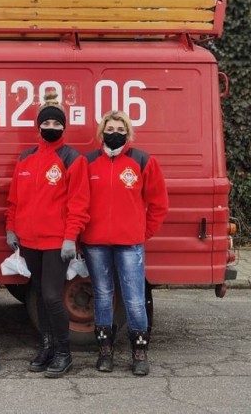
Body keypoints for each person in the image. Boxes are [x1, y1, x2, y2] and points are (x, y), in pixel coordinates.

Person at [5, 91, 90, 378]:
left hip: (57, 242)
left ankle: (64, 353)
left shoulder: (72, 159)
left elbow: (79, 203)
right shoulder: (26, 158)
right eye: (46, 123)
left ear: (64, 127)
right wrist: (11, 227)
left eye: (57, 123)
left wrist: (70, 237)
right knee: (40, 295)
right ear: (38, 126)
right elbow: (15, 199)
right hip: (30, 241)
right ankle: (47, 347)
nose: (51, 127)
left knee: (53, 296)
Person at [81, 110, 168, 376]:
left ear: (128, 133)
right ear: (101, 132)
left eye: (120, 129)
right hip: (95, 244)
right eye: (110, 129)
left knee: (134, 300)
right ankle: (105, 352)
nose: (114, 133)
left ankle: (139, 353)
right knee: (103, 297)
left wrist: (142, 233)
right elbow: (78, 202)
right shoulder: (88, 162)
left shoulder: (143, 161)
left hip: (130, 244)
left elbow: (158, 204)